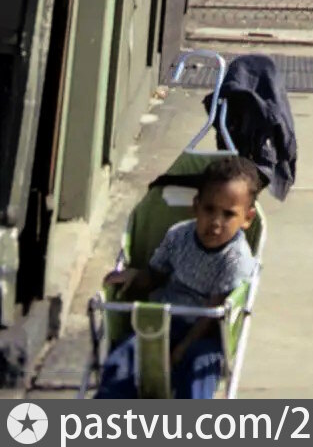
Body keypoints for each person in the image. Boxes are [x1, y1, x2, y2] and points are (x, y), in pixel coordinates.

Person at [98, 155, 261, 399]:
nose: (216, 222)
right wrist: (134, 277)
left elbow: (213, 313)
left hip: (206, 331)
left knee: (199, 367)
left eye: (228, 214)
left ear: (247, 219)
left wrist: (181, 350)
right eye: (209, 209)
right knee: (124, 358)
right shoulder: (178, 235)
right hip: (164, 320)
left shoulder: (236, 259)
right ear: (196, 205)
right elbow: (155, 275)